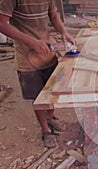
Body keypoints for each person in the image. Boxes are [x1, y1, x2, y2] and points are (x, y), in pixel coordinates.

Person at [0, 0, 76, 148]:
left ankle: (51, 117)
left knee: (51, 89)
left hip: (47, 49)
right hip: (27, 55)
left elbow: (54, 15)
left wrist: (64, 32)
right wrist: (32, 42)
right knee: (37, 95)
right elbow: (1, 23)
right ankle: (45, 129)